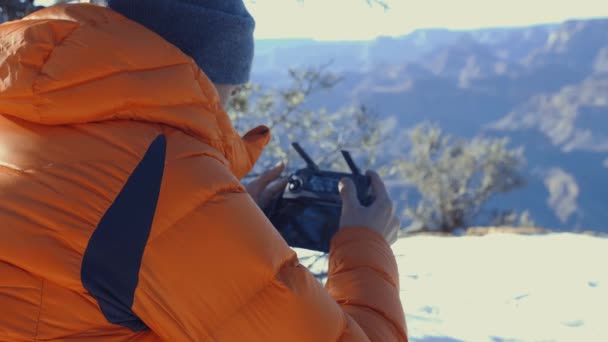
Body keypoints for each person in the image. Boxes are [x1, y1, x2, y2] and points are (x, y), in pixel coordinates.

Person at [0, 1, 407, 341]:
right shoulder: (166, 175)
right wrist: (366, 244)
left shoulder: (22, 105)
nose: (226, 113)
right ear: (201, 72)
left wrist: (229, 221)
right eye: (228, 95)